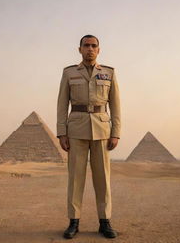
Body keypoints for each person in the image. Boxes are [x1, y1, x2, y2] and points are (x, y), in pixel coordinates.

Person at [56, 34, 121, 239]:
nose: (90, 49)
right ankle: (73, 222)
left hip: (102, 130)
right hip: (76, 129)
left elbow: (116, 105)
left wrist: (116, 132)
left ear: (99, 50)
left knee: (103, 178)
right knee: (76, 179)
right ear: (80, 49)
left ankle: (105, 221)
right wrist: (61, 132)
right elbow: (61, 103)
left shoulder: (109, 73)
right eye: (86, 45)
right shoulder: (69, 73)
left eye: (94, 46)